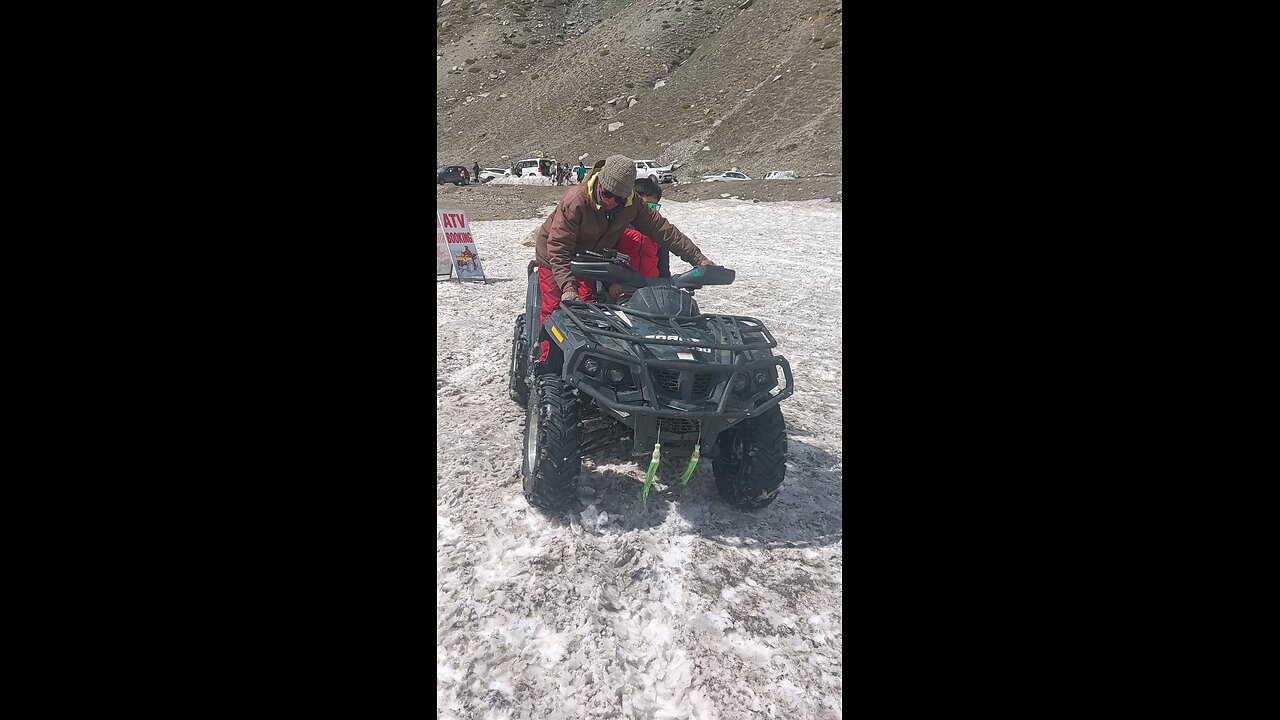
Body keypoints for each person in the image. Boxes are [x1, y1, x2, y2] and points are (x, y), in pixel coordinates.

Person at [531, 154, 716, 363]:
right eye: (608, 194)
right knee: (557, 309)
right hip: (554, 254)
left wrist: (698, 258)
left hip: (590, 255)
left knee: (589, 309)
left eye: (618, 198)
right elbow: (558, 246)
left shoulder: (632, 203)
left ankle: (591, 361)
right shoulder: (577, 200)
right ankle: (546, 362)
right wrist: (567, 287)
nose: (612, 202)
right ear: (600, 184)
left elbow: (663, 231)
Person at [607, 177, 672, 301]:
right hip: (622, 289)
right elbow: (607, 259)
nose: (649, 211)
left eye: (654, 206)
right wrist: (610, 284)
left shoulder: (658, 232)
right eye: (645, 205)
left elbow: (663, 267)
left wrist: (666, 286)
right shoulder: (619, 227)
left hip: (651, 290)